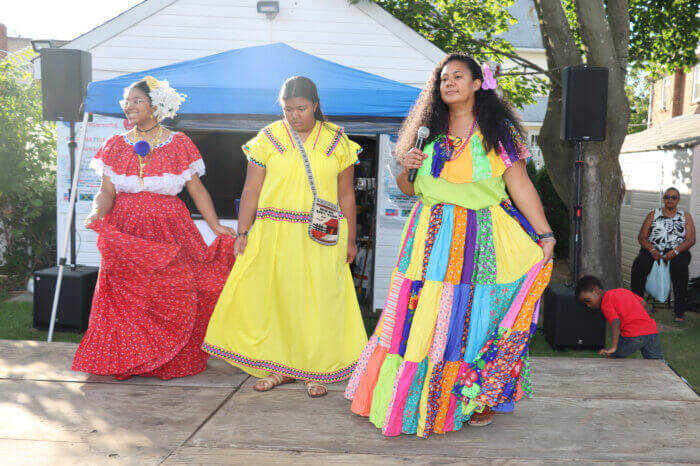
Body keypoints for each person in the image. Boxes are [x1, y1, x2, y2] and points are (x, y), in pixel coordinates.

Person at [345, 53, 554, 437]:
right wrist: (405, 168)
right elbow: (409, 189)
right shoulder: (428, 128)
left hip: (481, 236)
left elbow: (520, 185)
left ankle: (475, 397)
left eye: (458, 76)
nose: (449, 83)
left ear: (479, 84)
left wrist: (545, 234)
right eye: (443, 78)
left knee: (475, 314)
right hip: (429, 234)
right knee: (420, 314)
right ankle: (412, 397)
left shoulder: (497, 131)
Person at [202, 76, 368, 398]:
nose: (294, 115)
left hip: (322, 233)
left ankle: (314, 368)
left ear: (315, 106)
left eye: (301, 108)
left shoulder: (337, 141)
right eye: (288, 109)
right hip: (274, 232)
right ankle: (278, 369)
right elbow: (251, 188)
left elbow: (346, 195)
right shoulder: (268, 138)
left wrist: (351, 240)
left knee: (318, 300)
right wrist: (243, 231)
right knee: (276, 299)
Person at [72, 76, 236, 380]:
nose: (129, 106)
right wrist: (96, 213)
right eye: (127, 100)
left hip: (169, 228)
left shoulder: (179, 143)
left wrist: (215, 226)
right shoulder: (115, 145)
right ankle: (130, 358)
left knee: (173, 291)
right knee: (127, 297)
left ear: (155, 106)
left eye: (137, 100)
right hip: (126, 229)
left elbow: (197, 190)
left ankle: (168, 359)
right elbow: (107, 192)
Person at [630, 187, 696, 322]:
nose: (670, 200)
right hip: (653, 249)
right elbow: (642, 237)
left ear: (678, 200)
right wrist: (652, 250)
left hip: (677, 251)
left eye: (673, 197)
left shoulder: (685, 216)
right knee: (639, 264)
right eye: (667, 197)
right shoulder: (653, 214)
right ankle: (636, 307)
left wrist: (676, 251)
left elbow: (691, 239)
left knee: (680, 269)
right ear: (664, 199)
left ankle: (679, 312)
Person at [576, 275, 663, 359]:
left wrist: (614, 347)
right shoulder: (623, 290)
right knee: (658, 363)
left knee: (613, 356)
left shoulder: (606, 302)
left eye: (588, 300)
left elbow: (616, 322)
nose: (588, 305)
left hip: (633, 335)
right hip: (652, 332)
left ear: (596, 291)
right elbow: (643, 303)